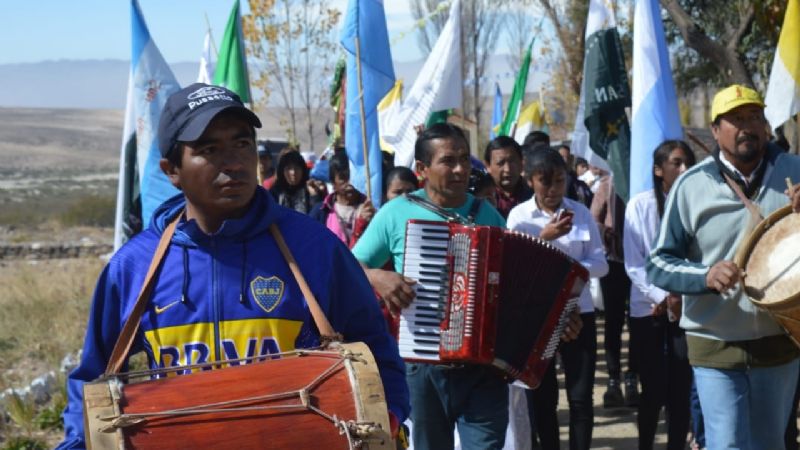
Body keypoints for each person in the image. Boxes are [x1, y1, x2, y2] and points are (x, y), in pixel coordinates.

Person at [57, 83, 409, 449]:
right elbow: (92, 380)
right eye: (209, 149)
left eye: (242, 143)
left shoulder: (315, 249)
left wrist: (387, 418)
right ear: (172, 170)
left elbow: (377, 355)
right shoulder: (134, 266)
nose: (234, 163)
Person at [352, 123, 582, 450]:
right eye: (448, 161)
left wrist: (557, 320)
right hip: (424, 366)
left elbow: (520, 288)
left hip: (484, 369)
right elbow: (350, 267)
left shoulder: (487, 214)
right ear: (422, 169)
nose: (461, 169)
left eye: (464, 159)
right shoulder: (396, 212)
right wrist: (378, 277)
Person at [647, 84, 800, 450]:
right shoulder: (690, 185)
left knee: (770, 444)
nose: (747, 126)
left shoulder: (795, 171)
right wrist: (705, 275)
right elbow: (658, 263)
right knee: (725, 444)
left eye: (754, 116)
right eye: (735, 119)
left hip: (779, 338)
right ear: (715, 131)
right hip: (714, 342)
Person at [507, 148, 608, 450]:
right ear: (530, 181)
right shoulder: (519, 216)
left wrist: (567, 272)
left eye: (560, 181)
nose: (553, 190)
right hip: (538, 317)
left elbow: (600, 263)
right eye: (545, 182)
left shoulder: (581, 213)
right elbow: (515, 267)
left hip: (579, 313)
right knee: (543, 395)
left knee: (580, 397)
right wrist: (544, 237)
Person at [624, 140, 696, 450]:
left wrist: (679, 296)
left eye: (688, 163)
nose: (684, 169)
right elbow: (634, 262)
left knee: (681, 388)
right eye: (677, 163)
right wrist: (662, 296)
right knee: (652, 388)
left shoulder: (696, 203)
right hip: (648, 308)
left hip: (686, 307)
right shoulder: (639, 205)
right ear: (658, 169)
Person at [590, 168, 637, 408]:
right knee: (614, 322)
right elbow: (594, 219)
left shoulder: (641, 180)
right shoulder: (607, 184)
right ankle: (613, 379)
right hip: (615, 262)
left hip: (640, 264)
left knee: (638, 323)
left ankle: (633, 378)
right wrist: (605, 232)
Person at [310, 151, 375, 247]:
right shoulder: (321, 211)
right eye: (343, 178)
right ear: (333, 182)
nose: (350, 183)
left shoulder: (370, 208)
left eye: (353, 177)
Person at [484, 136, 533, 218]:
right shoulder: (480, 198)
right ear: (488, 166)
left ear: (521, 163)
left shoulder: (534, 195)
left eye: (512, 162)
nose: (507, 169)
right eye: (500, 163)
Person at [269, 149, 324, 214]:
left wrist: (314, 196)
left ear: (303, 170)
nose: (293, 172)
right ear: (282, 171)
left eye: (297, 168)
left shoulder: (310, 190)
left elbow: (318, 216)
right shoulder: (275, 193)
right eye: (288, 168)